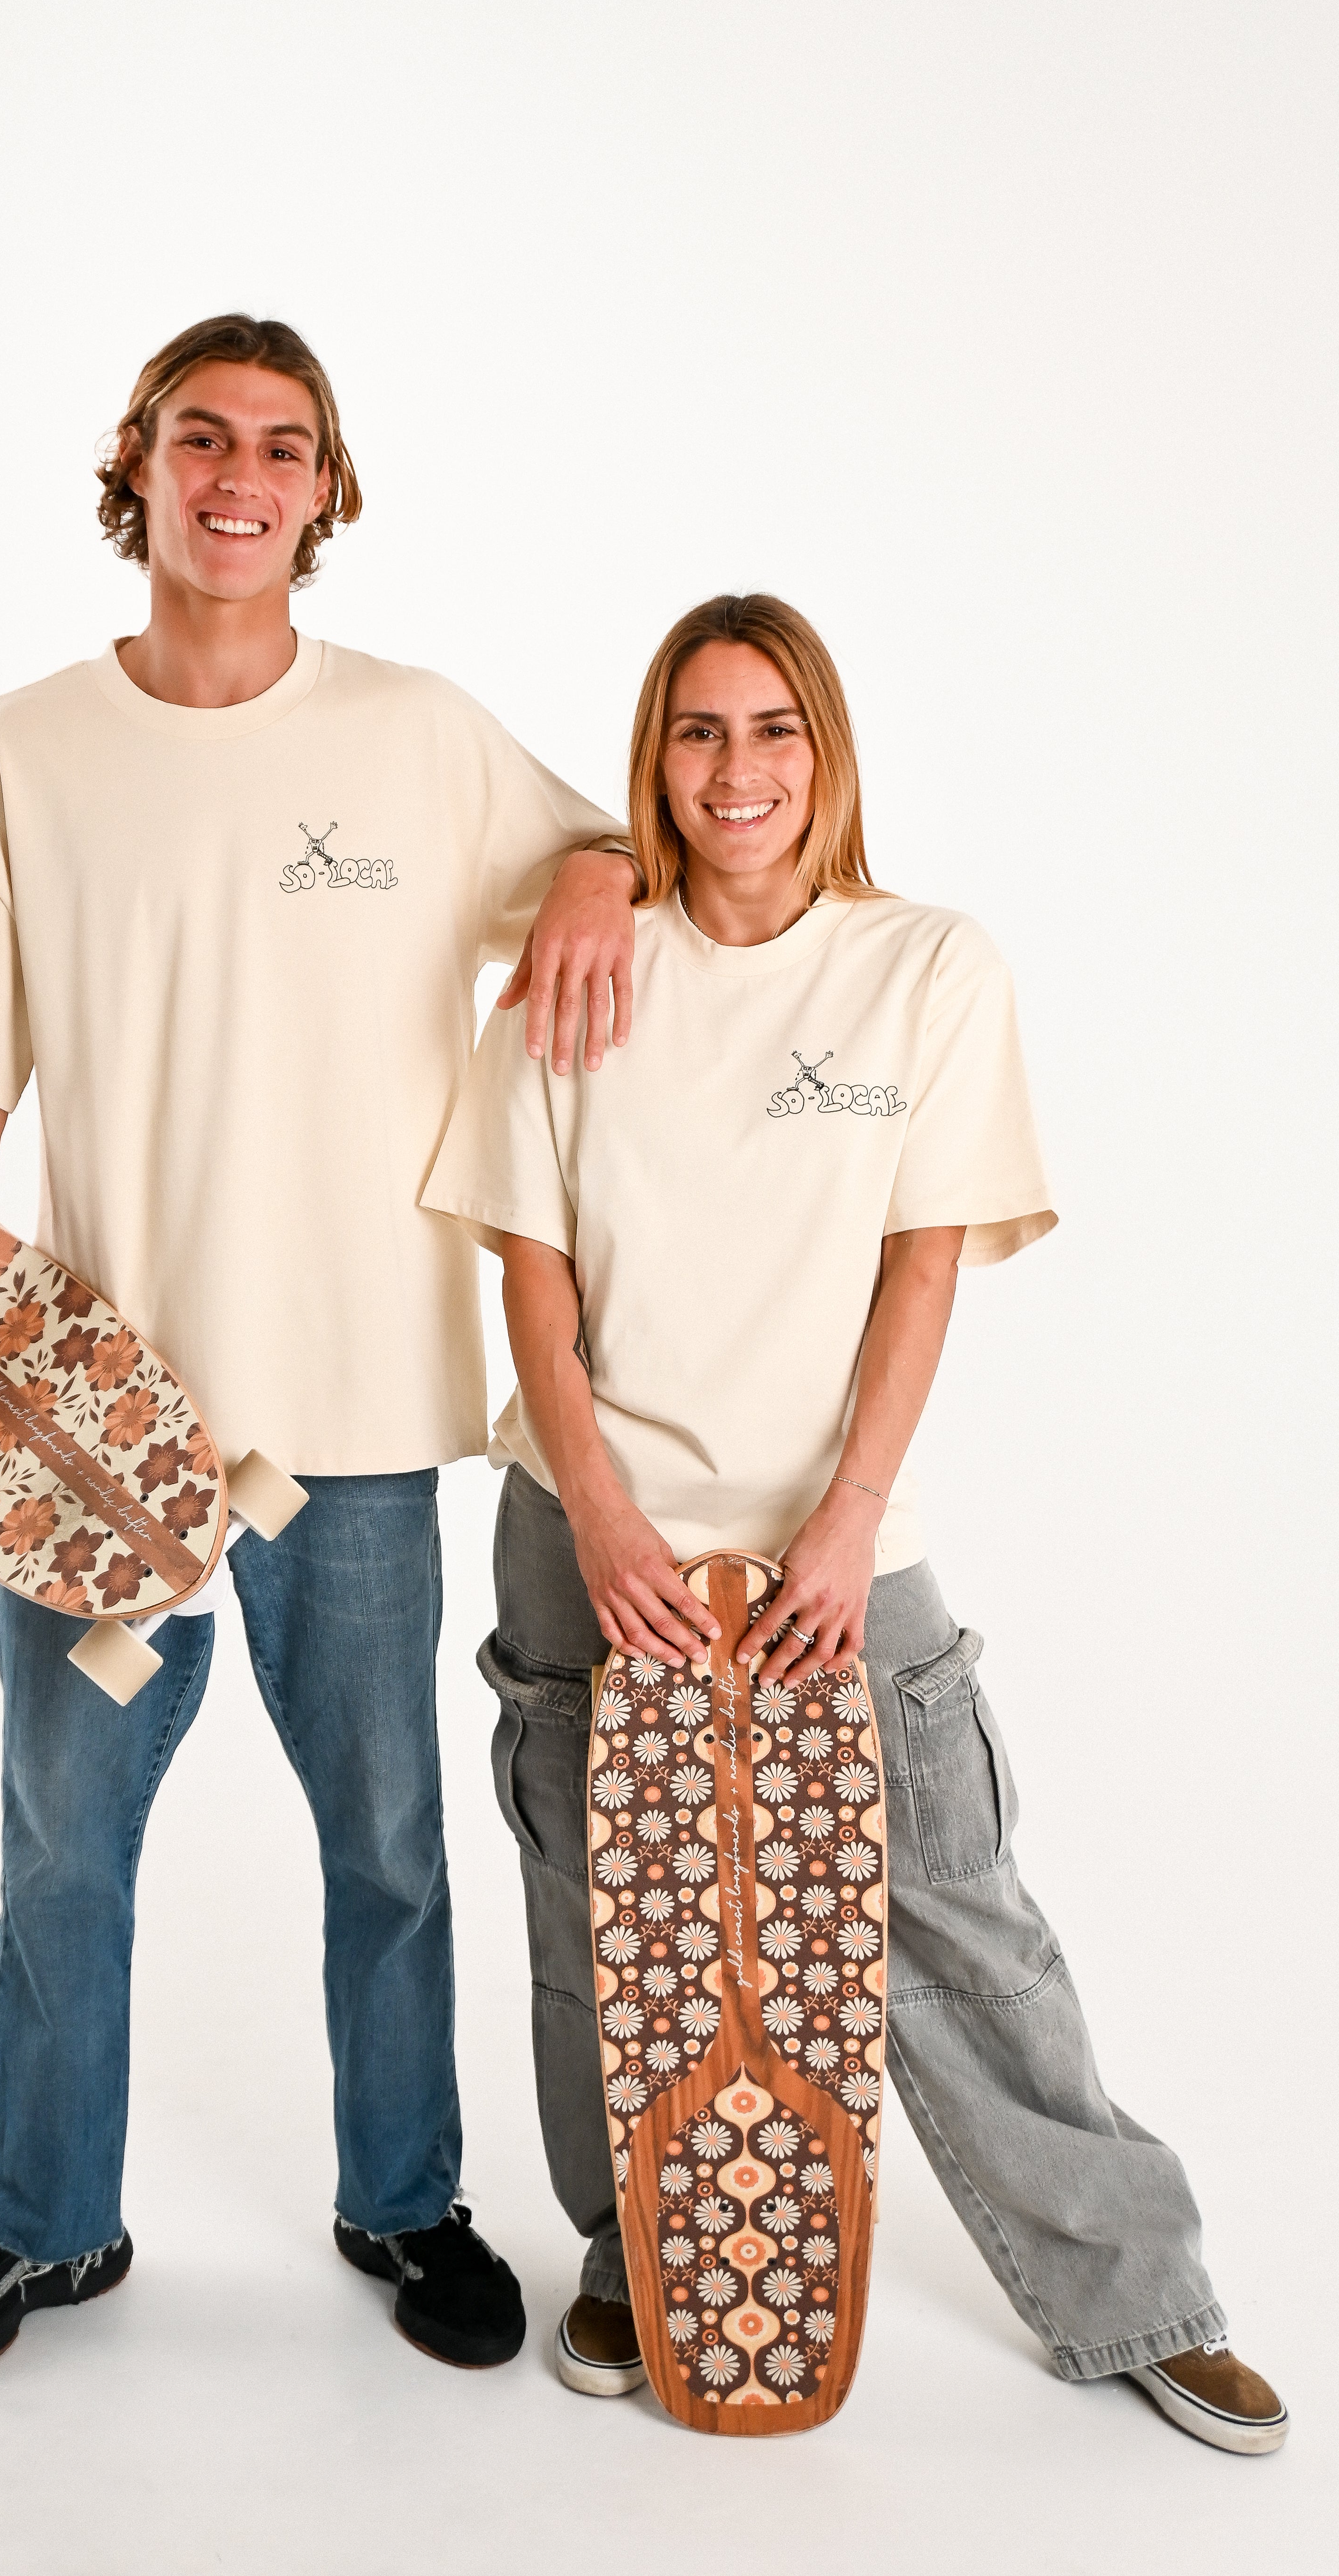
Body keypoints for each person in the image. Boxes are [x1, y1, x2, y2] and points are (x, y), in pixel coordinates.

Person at [0, 314, 640, 2390]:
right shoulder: (26, 748)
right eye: (205, 436)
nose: (241, 475)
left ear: (324, 489)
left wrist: (591, 876)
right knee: (64, 1839)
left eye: (284, 447)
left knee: (386, 1840)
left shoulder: (416, 734)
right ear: (140, 459)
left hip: (361, 1424)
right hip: (102, 1434)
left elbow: (613, 839)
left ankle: (405, 2195)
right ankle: (37, 2223)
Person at [422, 592, 1287, 2454]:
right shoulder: (583, 973)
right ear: (655, 757)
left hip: (838, 1537)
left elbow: (922, 1267)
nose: (738, 771)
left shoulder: (928, 968)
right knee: (608, 1922)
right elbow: (532, 1279)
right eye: (698, 732)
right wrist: (597, 1509)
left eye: (775, 730)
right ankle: (632, 2253)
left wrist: (849, 1515)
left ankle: (1137, 2293)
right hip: (593, 1527)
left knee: (953, 1905)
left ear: (830, 753)